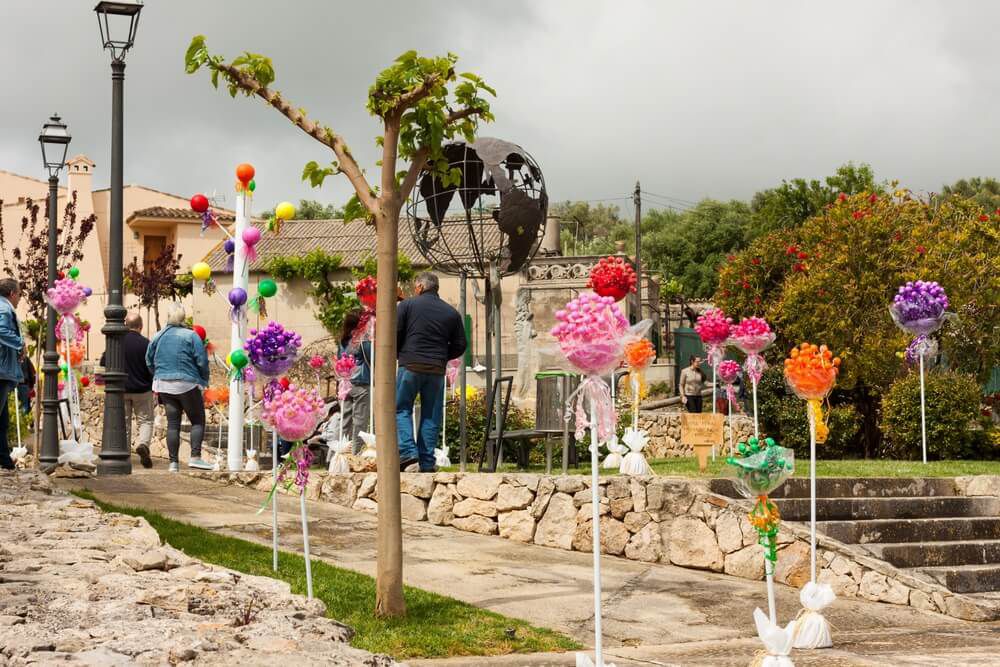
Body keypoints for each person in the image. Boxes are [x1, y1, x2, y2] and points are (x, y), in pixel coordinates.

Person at [395, 272, 466, 472]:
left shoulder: (407, 306)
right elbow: (461, 344)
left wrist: (400, 354)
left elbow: (396, 333)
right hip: (436, 369)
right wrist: (442, 356)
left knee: (401, 409)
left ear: (419, 287)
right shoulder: (451, 312)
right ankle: (426, 462)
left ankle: (408, 453)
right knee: (431, 415)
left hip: (410, 365)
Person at [146, 304, 212, 472]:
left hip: (163, 384)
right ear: (183, 317)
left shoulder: (158, 336)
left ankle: (173, 463)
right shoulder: (191, 335)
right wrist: (204, 379)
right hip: (187, 382)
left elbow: (148, 360)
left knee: (173, 424)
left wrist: (158, 374)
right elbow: (202, 361)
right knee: (197, 420)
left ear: (168, 316)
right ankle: (195, 457)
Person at [101, 312, 154, 468]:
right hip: (143, 389)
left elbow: (104, 361)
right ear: (141, 326)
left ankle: (124, 454)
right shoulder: (146, 343)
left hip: (121, 389)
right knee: (145, 421)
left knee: (123, 423)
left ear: (126, 325)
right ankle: (143, 444)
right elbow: (152, 366)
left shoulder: (118, 342)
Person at [338, 310, 371, 454]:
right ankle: (356, 455)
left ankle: (340, 453)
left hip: (345, 385)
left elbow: (339, 361)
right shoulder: (363, 340)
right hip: (361, 383)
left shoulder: (343, 341)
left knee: (345, 422)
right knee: (360, 423)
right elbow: (372, 358)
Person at [0, 279, 23, 470]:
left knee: (3, 420)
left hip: (4, 371)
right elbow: (1, 330)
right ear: (12, 294)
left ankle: (4, 460)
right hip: (1, 371)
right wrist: (20, 344)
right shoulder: (4, 308)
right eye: (20, 294)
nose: (20, 298)